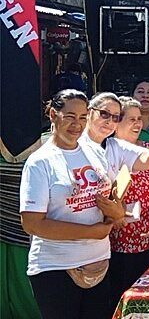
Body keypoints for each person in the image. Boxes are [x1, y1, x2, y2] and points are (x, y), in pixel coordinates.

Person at [20, 90, 124, 319]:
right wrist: (90, 232)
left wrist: (117, 213)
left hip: (98, 263)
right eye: (69, 116)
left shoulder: (96, 152)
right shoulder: (40, 162)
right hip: (56, 268)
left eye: (83, 117)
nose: (77, 124)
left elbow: (115, 197)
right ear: (52, 115)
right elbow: (32, 224)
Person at [107, 97, 149, 308]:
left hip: (148, 240)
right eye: (131, 119)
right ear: (116, 123)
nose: (138, 124)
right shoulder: (103, 153)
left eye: (139, 119)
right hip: (112, 244)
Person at [80, 92, 149, 180]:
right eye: (104, 114)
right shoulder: (72, 144)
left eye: (115, 117)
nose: (109, 121)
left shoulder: (115, 146)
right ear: (89, 113)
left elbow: (147, 160)